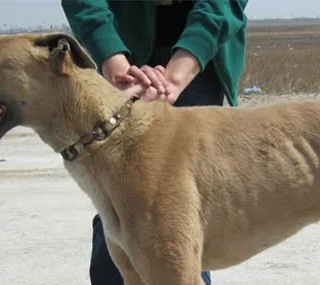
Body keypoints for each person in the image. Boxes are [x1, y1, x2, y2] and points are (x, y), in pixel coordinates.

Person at [61, 1, 249, 284]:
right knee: (119, 203)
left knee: (182, 216)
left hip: (199, 59)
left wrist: (175, 77)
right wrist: (116, 66)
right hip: (120, 51)